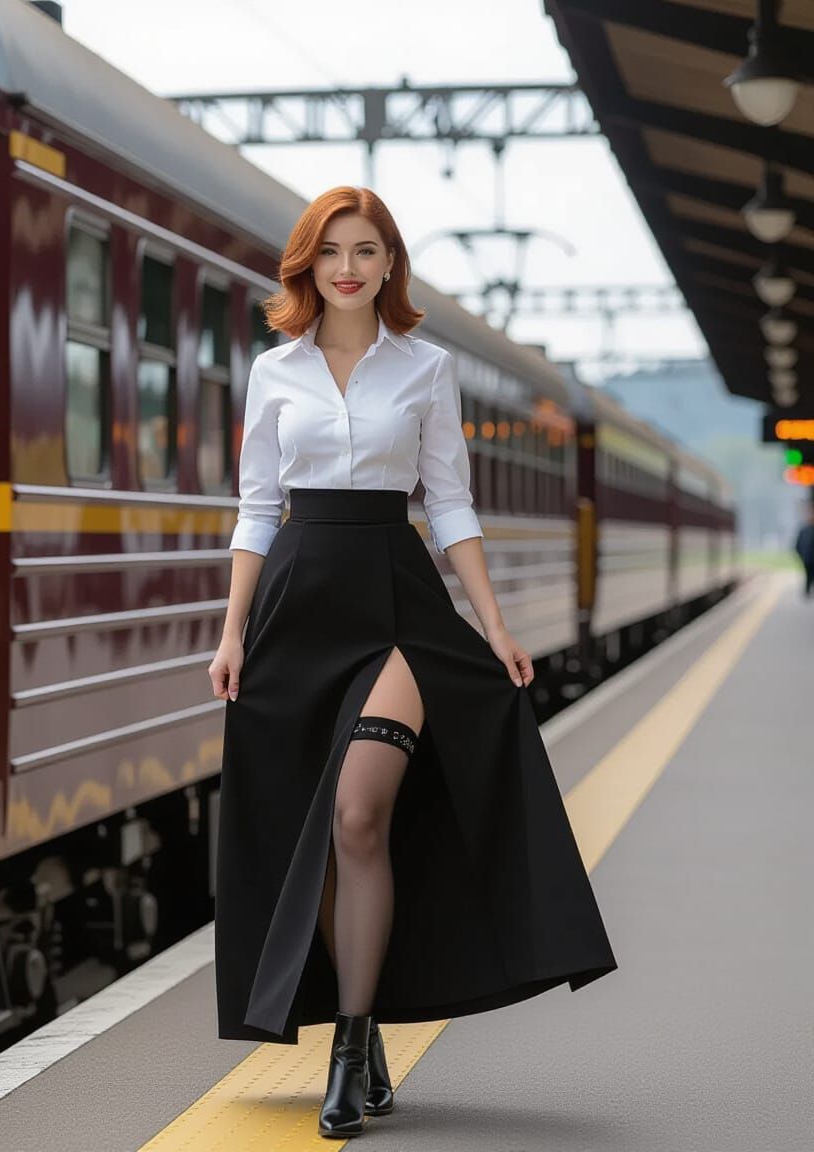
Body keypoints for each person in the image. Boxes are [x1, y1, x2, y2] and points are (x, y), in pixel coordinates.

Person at [208, 186, 617, 1139]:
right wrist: (231, 633)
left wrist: (495, 625)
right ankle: (363, 1017)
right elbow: (257, 508)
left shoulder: (427, 368)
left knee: (359, 813)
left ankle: (349, 1052)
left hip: (397, 604)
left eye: (366, 250)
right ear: (307, 266)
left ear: (390, 263)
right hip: (295, 605)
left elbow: (450, 502)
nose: (347, 268)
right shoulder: (273, 370)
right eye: (330, 251)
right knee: (314, 835)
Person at [794, 504, 814, 597]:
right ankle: (807, 591)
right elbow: (797, 545)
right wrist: (801, 556)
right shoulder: (804, 530)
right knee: (808, 574)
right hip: (807, 558)